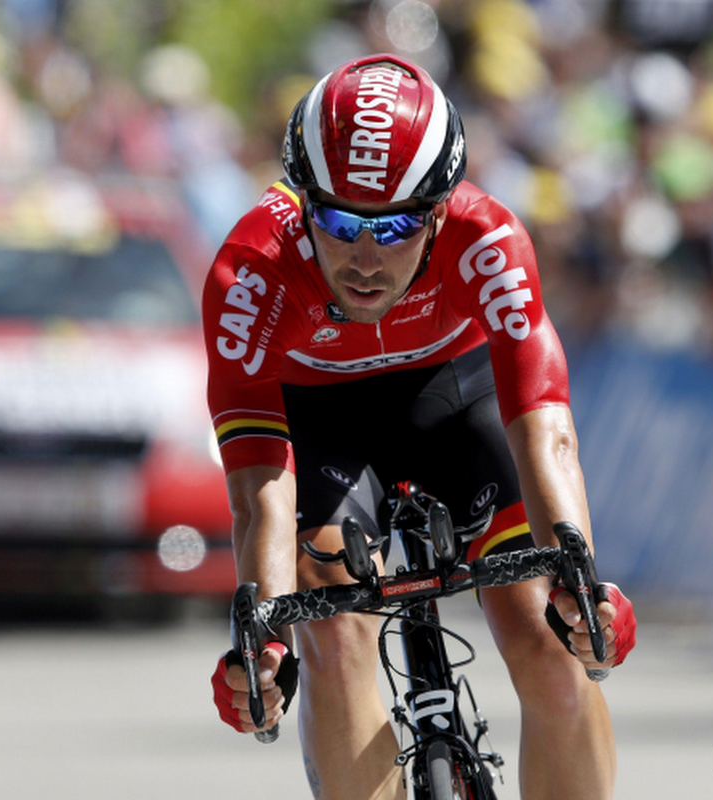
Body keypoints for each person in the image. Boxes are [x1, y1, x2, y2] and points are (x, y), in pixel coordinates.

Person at [205, 54, 637, 800]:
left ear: (440, 207)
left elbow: (544, 428)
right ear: (301, 201)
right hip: (322, 422)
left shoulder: (491, 238)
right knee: (333, 635)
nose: (366, 257)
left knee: (551, 640)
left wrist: (582, 577)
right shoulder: (251, 273)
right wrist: (265, 636)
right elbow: (260, 491)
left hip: (453, 399)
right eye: (340, 222)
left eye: (399, 225)